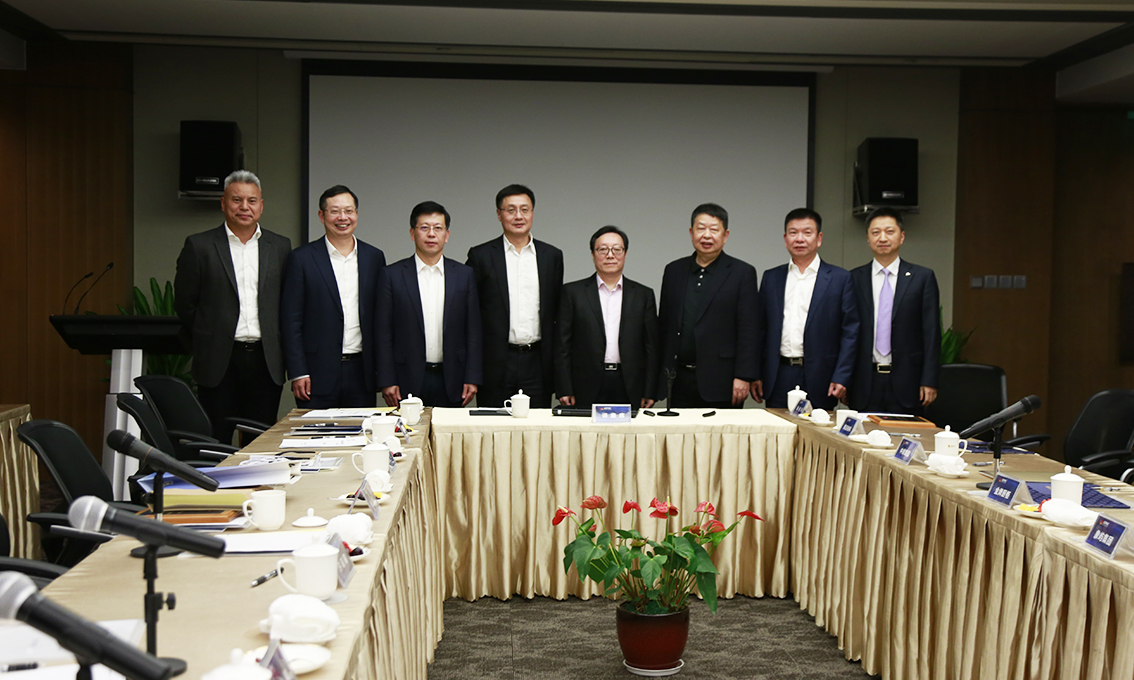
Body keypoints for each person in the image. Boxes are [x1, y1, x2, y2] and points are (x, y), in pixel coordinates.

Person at [174, 170, 292, 441]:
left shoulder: (279, 246)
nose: (244, 207)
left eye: (252, 201)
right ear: (223, 203)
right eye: (237, 200)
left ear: (261, 205)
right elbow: (185, 304)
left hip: (265, 360)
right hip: (218, 360)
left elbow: (287, 303)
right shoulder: (200, 245)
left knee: (259, 442)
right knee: (216, 440)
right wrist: (210, 334)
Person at [279, 185, 385, 409]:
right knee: (315, 431)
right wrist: (298, 371)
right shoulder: (301, 258)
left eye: (348, 211)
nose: (342, 217)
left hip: (361, 372)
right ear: (321, 215)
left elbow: (381, 317)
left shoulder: (374, 257)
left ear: (356, 214)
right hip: (316, 373)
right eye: (335, 211)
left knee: (360, 431)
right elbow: (291, 320)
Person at [466, 184, 563, 407]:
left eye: (524, 209)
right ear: (499, 214)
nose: (518, 216)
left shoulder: (551, 256)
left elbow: (556, 313)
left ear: (532, 213)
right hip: (495, 363)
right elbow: (470, 314)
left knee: (537, 426)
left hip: (537, 362)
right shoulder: (481, 256)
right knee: (493, 426)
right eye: (511, 210)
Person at [378, 201, 481, 408]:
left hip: (452, 377)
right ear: (412, 233)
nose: (431, 234)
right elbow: (383, 332)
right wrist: (387, 379)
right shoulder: (392, 275)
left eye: (438, 228)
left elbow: (473, 330)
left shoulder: (464, 275)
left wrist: (472, 376)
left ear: (447, 235)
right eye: (424, 227)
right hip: (406, 378)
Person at [754, 208, 859, 411]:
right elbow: (760, 329)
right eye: (793, 233)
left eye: (807, 232)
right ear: (785, 239)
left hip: (822, 376)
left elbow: (850, 332)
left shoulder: (840, 279)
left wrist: (842, 375)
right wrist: (755, 374)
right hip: (778, 374)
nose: (800, 239)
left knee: (817, 431)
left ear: (819, 238)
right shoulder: (771, 277)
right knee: (779, 430)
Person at [658, 203, 760, 408]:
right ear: (691, 232)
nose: (706, 235)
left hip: (722, 381)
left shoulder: (742, 273)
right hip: (678, 379)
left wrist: (744, 376)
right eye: (700, 228)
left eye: (714, 229)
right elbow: (664, 325)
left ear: (725, 235)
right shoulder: (674, 270)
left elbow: (749, 330)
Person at [555, 226, 659, 409]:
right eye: (602, 249)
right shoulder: (573, 293)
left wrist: (649, 390)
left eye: (617, 249)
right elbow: (562, 345)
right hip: (584, 383)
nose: (610, 255)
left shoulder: (643, 295)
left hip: (629, 383)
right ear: (592, 254)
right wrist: (564, 387)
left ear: (625, 254)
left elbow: (651, 347)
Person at [848, 207, 940, 414]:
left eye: (890, 231)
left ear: (902, 236)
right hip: (864, 382)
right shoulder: (853, 278)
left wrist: (929, 380)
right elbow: (847, 332)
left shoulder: (922, 278)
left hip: (909, 382)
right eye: (876, 232)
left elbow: (931, 332)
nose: (882, 238)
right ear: (868, 239)